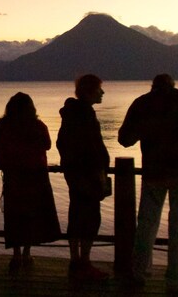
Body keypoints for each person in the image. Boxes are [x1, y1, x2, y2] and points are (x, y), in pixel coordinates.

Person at [118, 74, 178, 294]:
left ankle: (138, 273)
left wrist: (148, 129)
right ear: (172, 85)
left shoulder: (142, 103)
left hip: (153, 173)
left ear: (152, 87)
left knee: (146, 226)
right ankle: (177, 280)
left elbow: (124, 139)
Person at [0, 92, 62, 272]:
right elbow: (47, 144)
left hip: (13, 176)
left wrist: (4, 164)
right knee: (32, 215)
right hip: (36, 176)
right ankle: (26, 253)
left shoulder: (2, 125)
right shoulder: (37, 125)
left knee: (14, 215)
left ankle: (15, 254)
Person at [57, 74, 110, 280]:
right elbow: (93, 147)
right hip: (87, 175)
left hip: (74, 174)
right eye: (99, 89)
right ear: (89, 91)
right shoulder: (85, 115)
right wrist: (99, 172)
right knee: (90, 219)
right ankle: (84, 263)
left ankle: (75, 261)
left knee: (76, 215)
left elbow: (62, 143)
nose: (102, 92)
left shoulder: (71, 114)